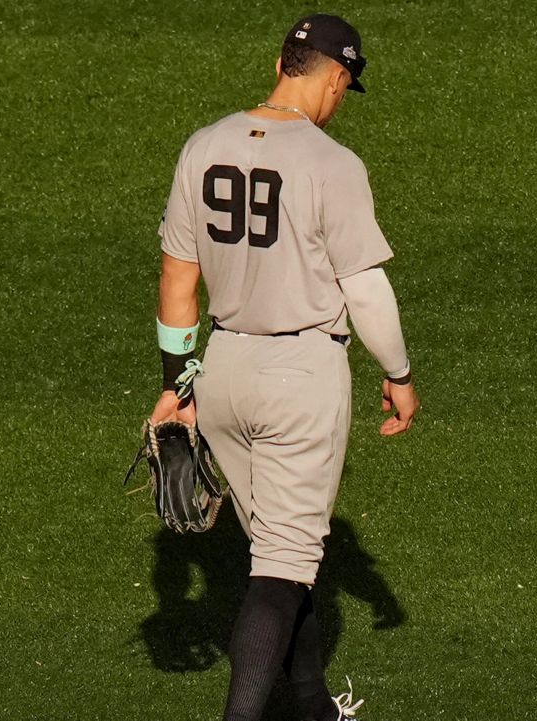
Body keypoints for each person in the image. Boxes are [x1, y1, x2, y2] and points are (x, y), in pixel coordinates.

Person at [147, 13, 419, 721]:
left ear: (280, 61)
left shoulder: (202, 147)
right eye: (344, 87)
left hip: (223, 370)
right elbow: (365, 288)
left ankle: (311, 705)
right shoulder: (333, 163)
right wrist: (398, 371)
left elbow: (179, 283)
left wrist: (178, 385)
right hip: (300, 375)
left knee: (279, 549)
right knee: (281, 568)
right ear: (335, 78)